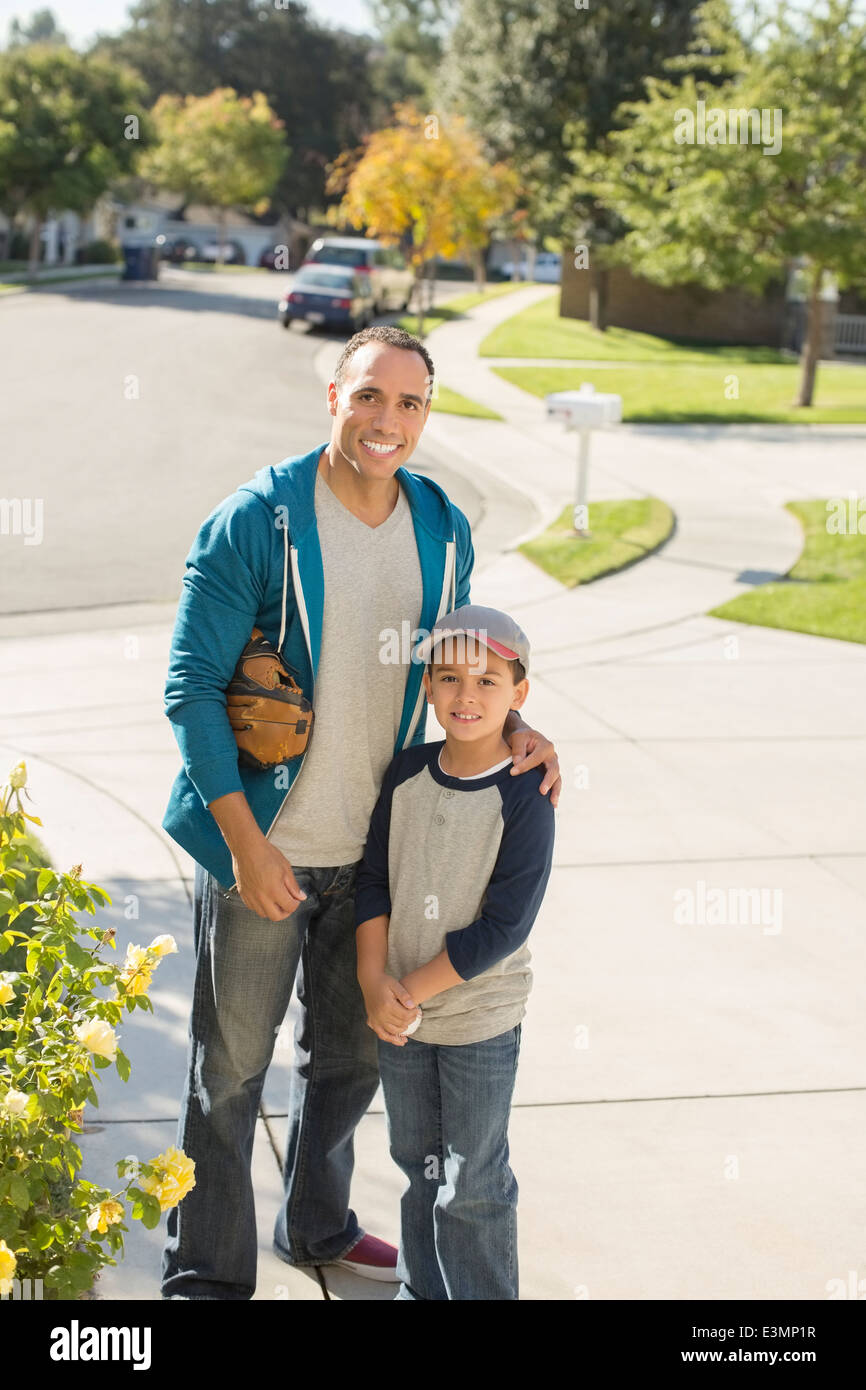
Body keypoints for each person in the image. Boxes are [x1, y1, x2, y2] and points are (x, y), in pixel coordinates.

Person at [159, 324, 562, 1300]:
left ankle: (318, 1223)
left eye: (410, 403)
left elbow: (458, 670)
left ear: (426, 415)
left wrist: (521, 729)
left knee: (347, 1064)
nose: (388, 420)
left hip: (378, 858)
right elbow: (190, 688)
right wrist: (245, 846)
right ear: (332, 398)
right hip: (271, 845)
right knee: (230, 1073)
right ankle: (206, 1272)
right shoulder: (256, 521)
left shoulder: (441, 523)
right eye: (369, 396)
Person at [355, 606, 556, 1300]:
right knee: (417, 1165)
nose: (467, 696)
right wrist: (372, 980)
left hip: (476, 1018)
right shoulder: (407, 773)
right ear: (430, 688)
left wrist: (409, 987)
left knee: (472, 1180)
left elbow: (504, 925)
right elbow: (373, 881)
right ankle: (422, 1289)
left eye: (488, 680)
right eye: (450, 678)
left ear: (518, 695)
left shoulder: (528, 793)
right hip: (400, 1016)